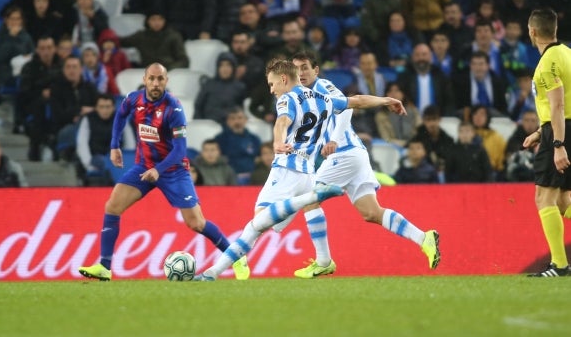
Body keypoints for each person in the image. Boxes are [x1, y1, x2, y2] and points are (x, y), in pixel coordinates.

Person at [195, 59, 407, 281]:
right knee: (257, 226)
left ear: (284, 79)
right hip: (308, 173)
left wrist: (277, 142)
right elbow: (358, 101)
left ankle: (312, 198)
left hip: (286, 169)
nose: (271, 89)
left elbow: (282, 122)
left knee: (256, 225)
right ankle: (213, 273)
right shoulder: (323, 98)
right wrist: (386, 100)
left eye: (272, 83)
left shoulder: (287, 98)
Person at [78, 63, 251, 281]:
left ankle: (236, 257)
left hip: (172, 170)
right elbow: (120, 115)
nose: (156, 83)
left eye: (160, 79)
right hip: (144, 167)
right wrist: (115, 145)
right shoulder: (134, 99)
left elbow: (180, 150)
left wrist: (158, 170)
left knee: (196, 223)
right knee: (112, 206)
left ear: (166, 81)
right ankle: (104, 266)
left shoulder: (174, 109)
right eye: (152, 78)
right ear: (145, 79)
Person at [286, 51, 440, 278]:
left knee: (309, 199)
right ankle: (424, 238)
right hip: (355, 155)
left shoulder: (322, 87)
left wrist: (334, 139)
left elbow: (348, 108)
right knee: (371, 213)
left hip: (345, 153)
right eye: (296, 69)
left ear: (315, 70)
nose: (301, 73)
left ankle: (323, 260)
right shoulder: (304, 96)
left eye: (305, 68)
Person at [521, 9, 571, 277]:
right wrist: (541, 133)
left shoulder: (548, 62)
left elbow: (559, 103)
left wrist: (558, 143)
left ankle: (560, 266)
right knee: (563, 200)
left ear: (532, 31)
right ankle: (560, 265)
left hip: (561, 133)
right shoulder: (567, 53)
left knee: (544, 198)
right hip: (560, 129)